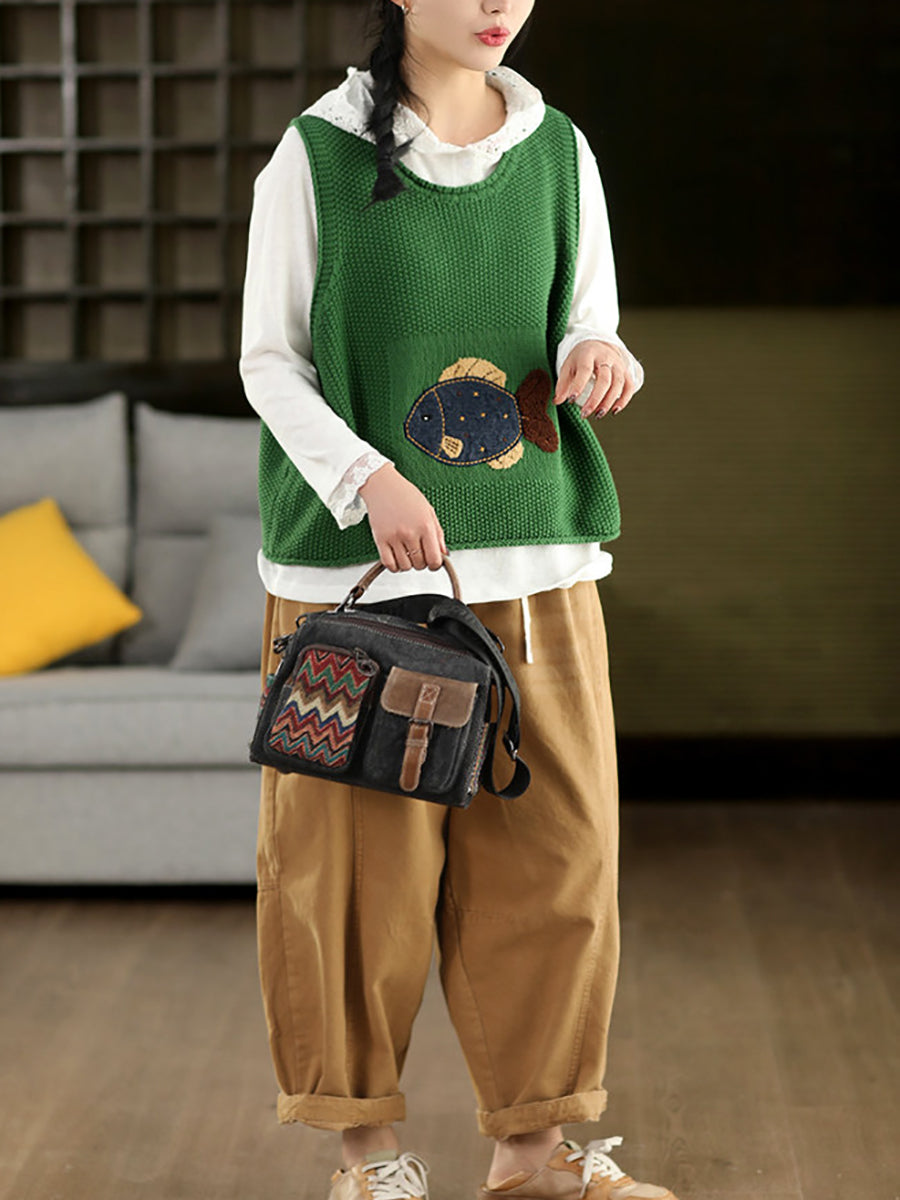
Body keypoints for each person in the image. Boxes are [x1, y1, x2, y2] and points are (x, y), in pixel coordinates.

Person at [239, 2, 679, 1198]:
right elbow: (270, 361)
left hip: (536, 569)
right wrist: (366, 479)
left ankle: (532, 1157)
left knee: (559, 868)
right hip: (356, 587)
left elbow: (588, 319)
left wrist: (602, 356)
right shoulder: (315, 155)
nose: (497, 5)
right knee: (351, 882)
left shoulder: (559, 150)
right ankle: (367, 1159)